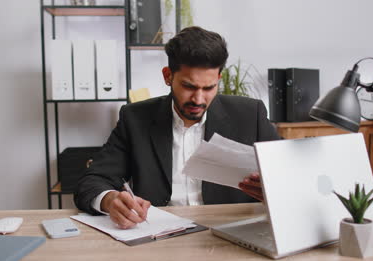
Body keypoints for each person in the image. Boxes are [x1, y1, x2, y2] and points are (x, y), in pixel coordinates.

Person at [74, 26, 280, 229]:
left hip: (231, 232)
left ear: (218, 79)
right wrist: (110, 200)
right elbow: (92, 181)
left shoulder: (250, 115)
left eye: (209, 88)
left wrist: (273, 188)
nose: (199, 99)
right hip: (159, 235)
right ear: (168, 76)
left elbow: (289, 176)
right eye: (189, 86)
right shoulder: (135, 119)